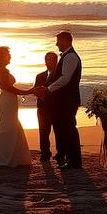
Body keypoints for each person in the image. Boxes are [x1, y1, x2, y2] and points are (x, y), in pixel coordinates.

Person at [35, 31, 82, 169]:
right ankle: (71, 159)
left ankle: (75, 161)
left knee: (69, 129)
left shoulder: (71, 57)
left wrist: (48, 89)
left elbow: (65, 79)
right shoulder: (66, 56)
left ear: (66, 40)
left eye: (58, 41)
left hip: (68, 101)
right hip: (65, 101)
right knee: (66, 129)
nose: (56, 44)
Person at [32, 51, 59, 163]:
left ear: (56, 61)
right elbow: (35, 90)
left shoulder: (61, 75)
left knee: (58, 131)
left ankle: (61, 153)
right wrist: (39, 93)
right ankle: (45, 153)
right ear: (45, 61)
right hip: (43, 107)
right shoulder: (40, 76)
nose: (50, 62)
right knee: (43, 131)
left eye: (52, 59)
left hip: (57, 107)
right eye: (47, 59)